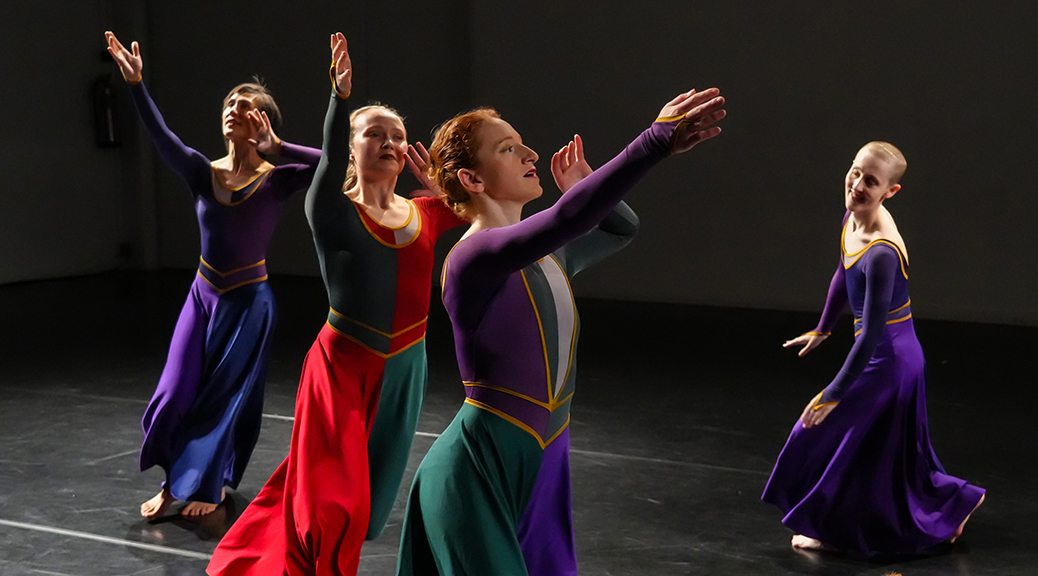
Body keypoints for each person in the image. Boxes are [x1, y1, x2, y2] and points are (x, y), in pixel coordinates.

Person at [396, 89, 726, 575]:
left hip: (545, 458)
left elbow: (618, 229)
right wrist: (652, 142)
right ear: (472, 178)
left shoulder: (551, 257)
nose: (530, 154)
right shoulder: (470, 259)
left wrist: (587, 184)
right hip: (479, 469)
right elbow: (571, 217)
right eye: (508, 148)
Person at [206, 33, 466, 576]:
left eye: (398, 135)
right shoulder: (334, 210)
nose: (391, 142)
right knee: (333, 500)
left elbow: (481, 207)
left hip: (406, 368)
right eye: (375, 134)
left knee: (367, 505)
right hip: (341, 367)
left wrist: (442, 184)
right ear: (351, 148)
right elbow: (324, 167)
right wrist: (338, 98)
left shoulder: (426, 212)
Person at [104, 31, 321, 518]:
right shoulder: (201, 171)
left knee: (224, 397)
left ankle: (208, 484)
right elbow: (162, 139)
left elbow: (336, 167)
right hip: (203, 295)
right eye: (229, 102)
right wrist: (136, 85)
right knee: (175, 389)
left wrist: (279, 146)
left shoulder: (277, 177)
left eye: (245, 105)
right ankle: (173, 479)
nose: (233, 108)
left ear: (262, 121)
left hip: (249, 302)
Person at [762, 142, 985, 555]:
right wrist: (824, 328)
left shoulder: (883, 251)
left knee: (825, 435)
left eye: (871, 181)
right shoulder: (853, 214)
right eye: (855, 172)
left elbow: (870, 334)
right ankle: (955, 502)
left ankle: (835, 532)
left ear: (890, 192)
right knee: (879, 452)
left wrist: (832, 394)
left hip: (890, 361)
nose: (857, 185)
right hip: (883, 354)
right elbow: (843, 269)